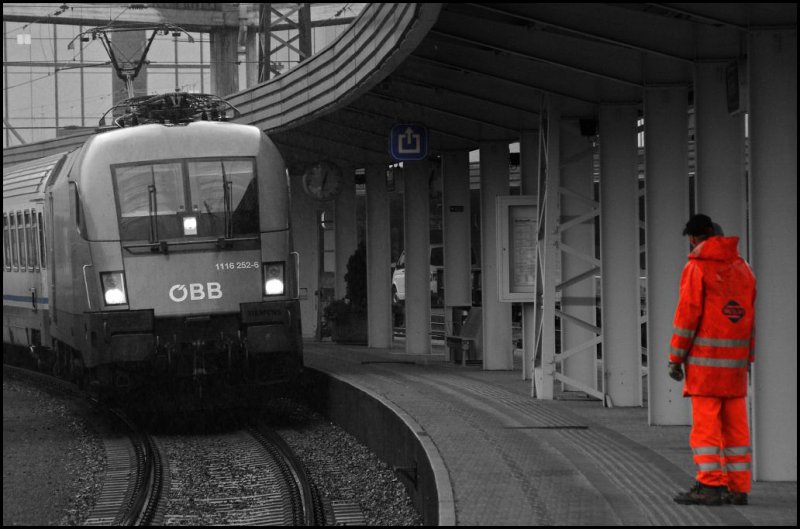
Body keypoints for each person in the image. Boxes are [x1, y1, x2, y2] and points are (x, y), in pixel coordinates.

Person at [669, 214, 756, 506]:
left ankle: (709, 485)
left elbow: (687, 316)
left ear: (694, 239)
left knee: (706, 428)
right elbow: (749, 316)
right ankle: (738, 487)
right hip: (735, 366)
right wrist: (747, 356)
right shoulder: (744, 268)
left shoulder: (697, 268)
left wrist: (675, 357)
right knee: (736, 427)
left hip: (706, 366)